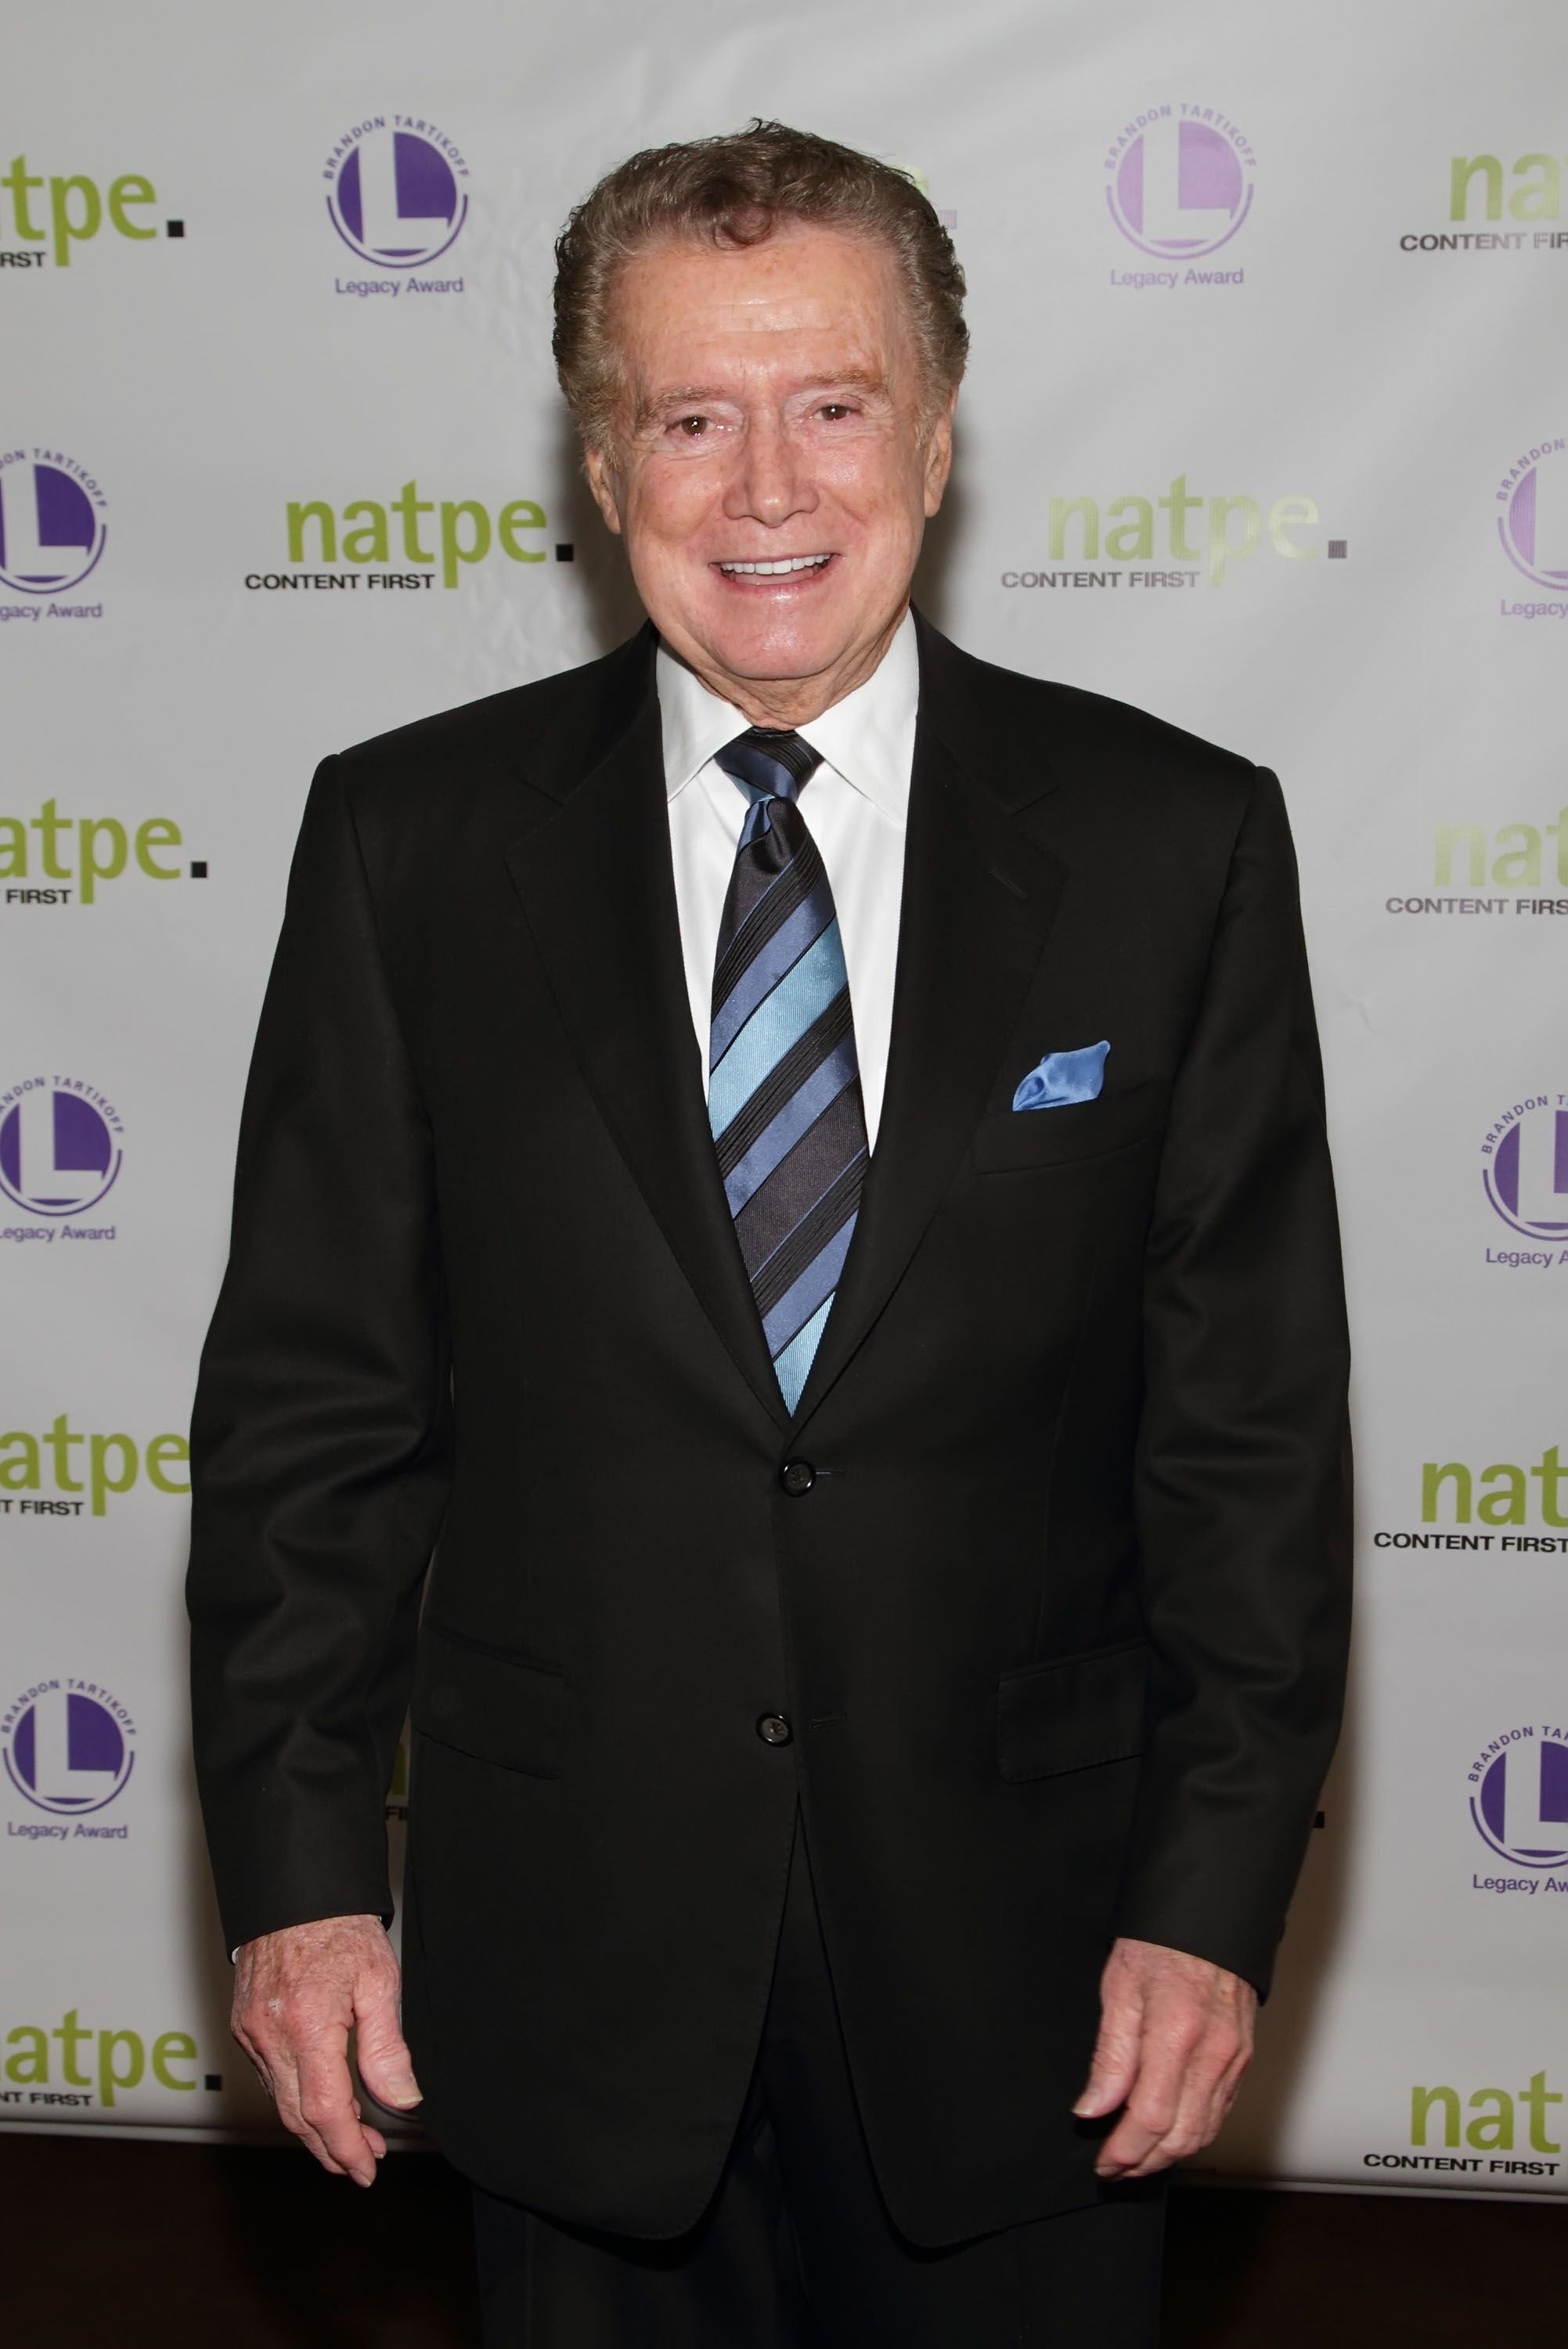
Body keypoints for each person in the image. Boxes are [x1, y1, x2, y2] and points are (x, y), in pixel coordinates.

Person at [187, 121, 1351, 2347]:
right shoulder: (407, 844)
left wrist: (1204, 1912)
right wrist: (305, 1888)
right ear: (597, 453)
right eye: (687, 417)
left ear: (932, 427)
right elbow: (310, 1427)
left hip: (1034, 1987)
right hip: (566, 1975)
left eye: (829, 405)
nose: (765, 490)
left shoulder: (1169, 844)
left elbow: (1249, 1443)